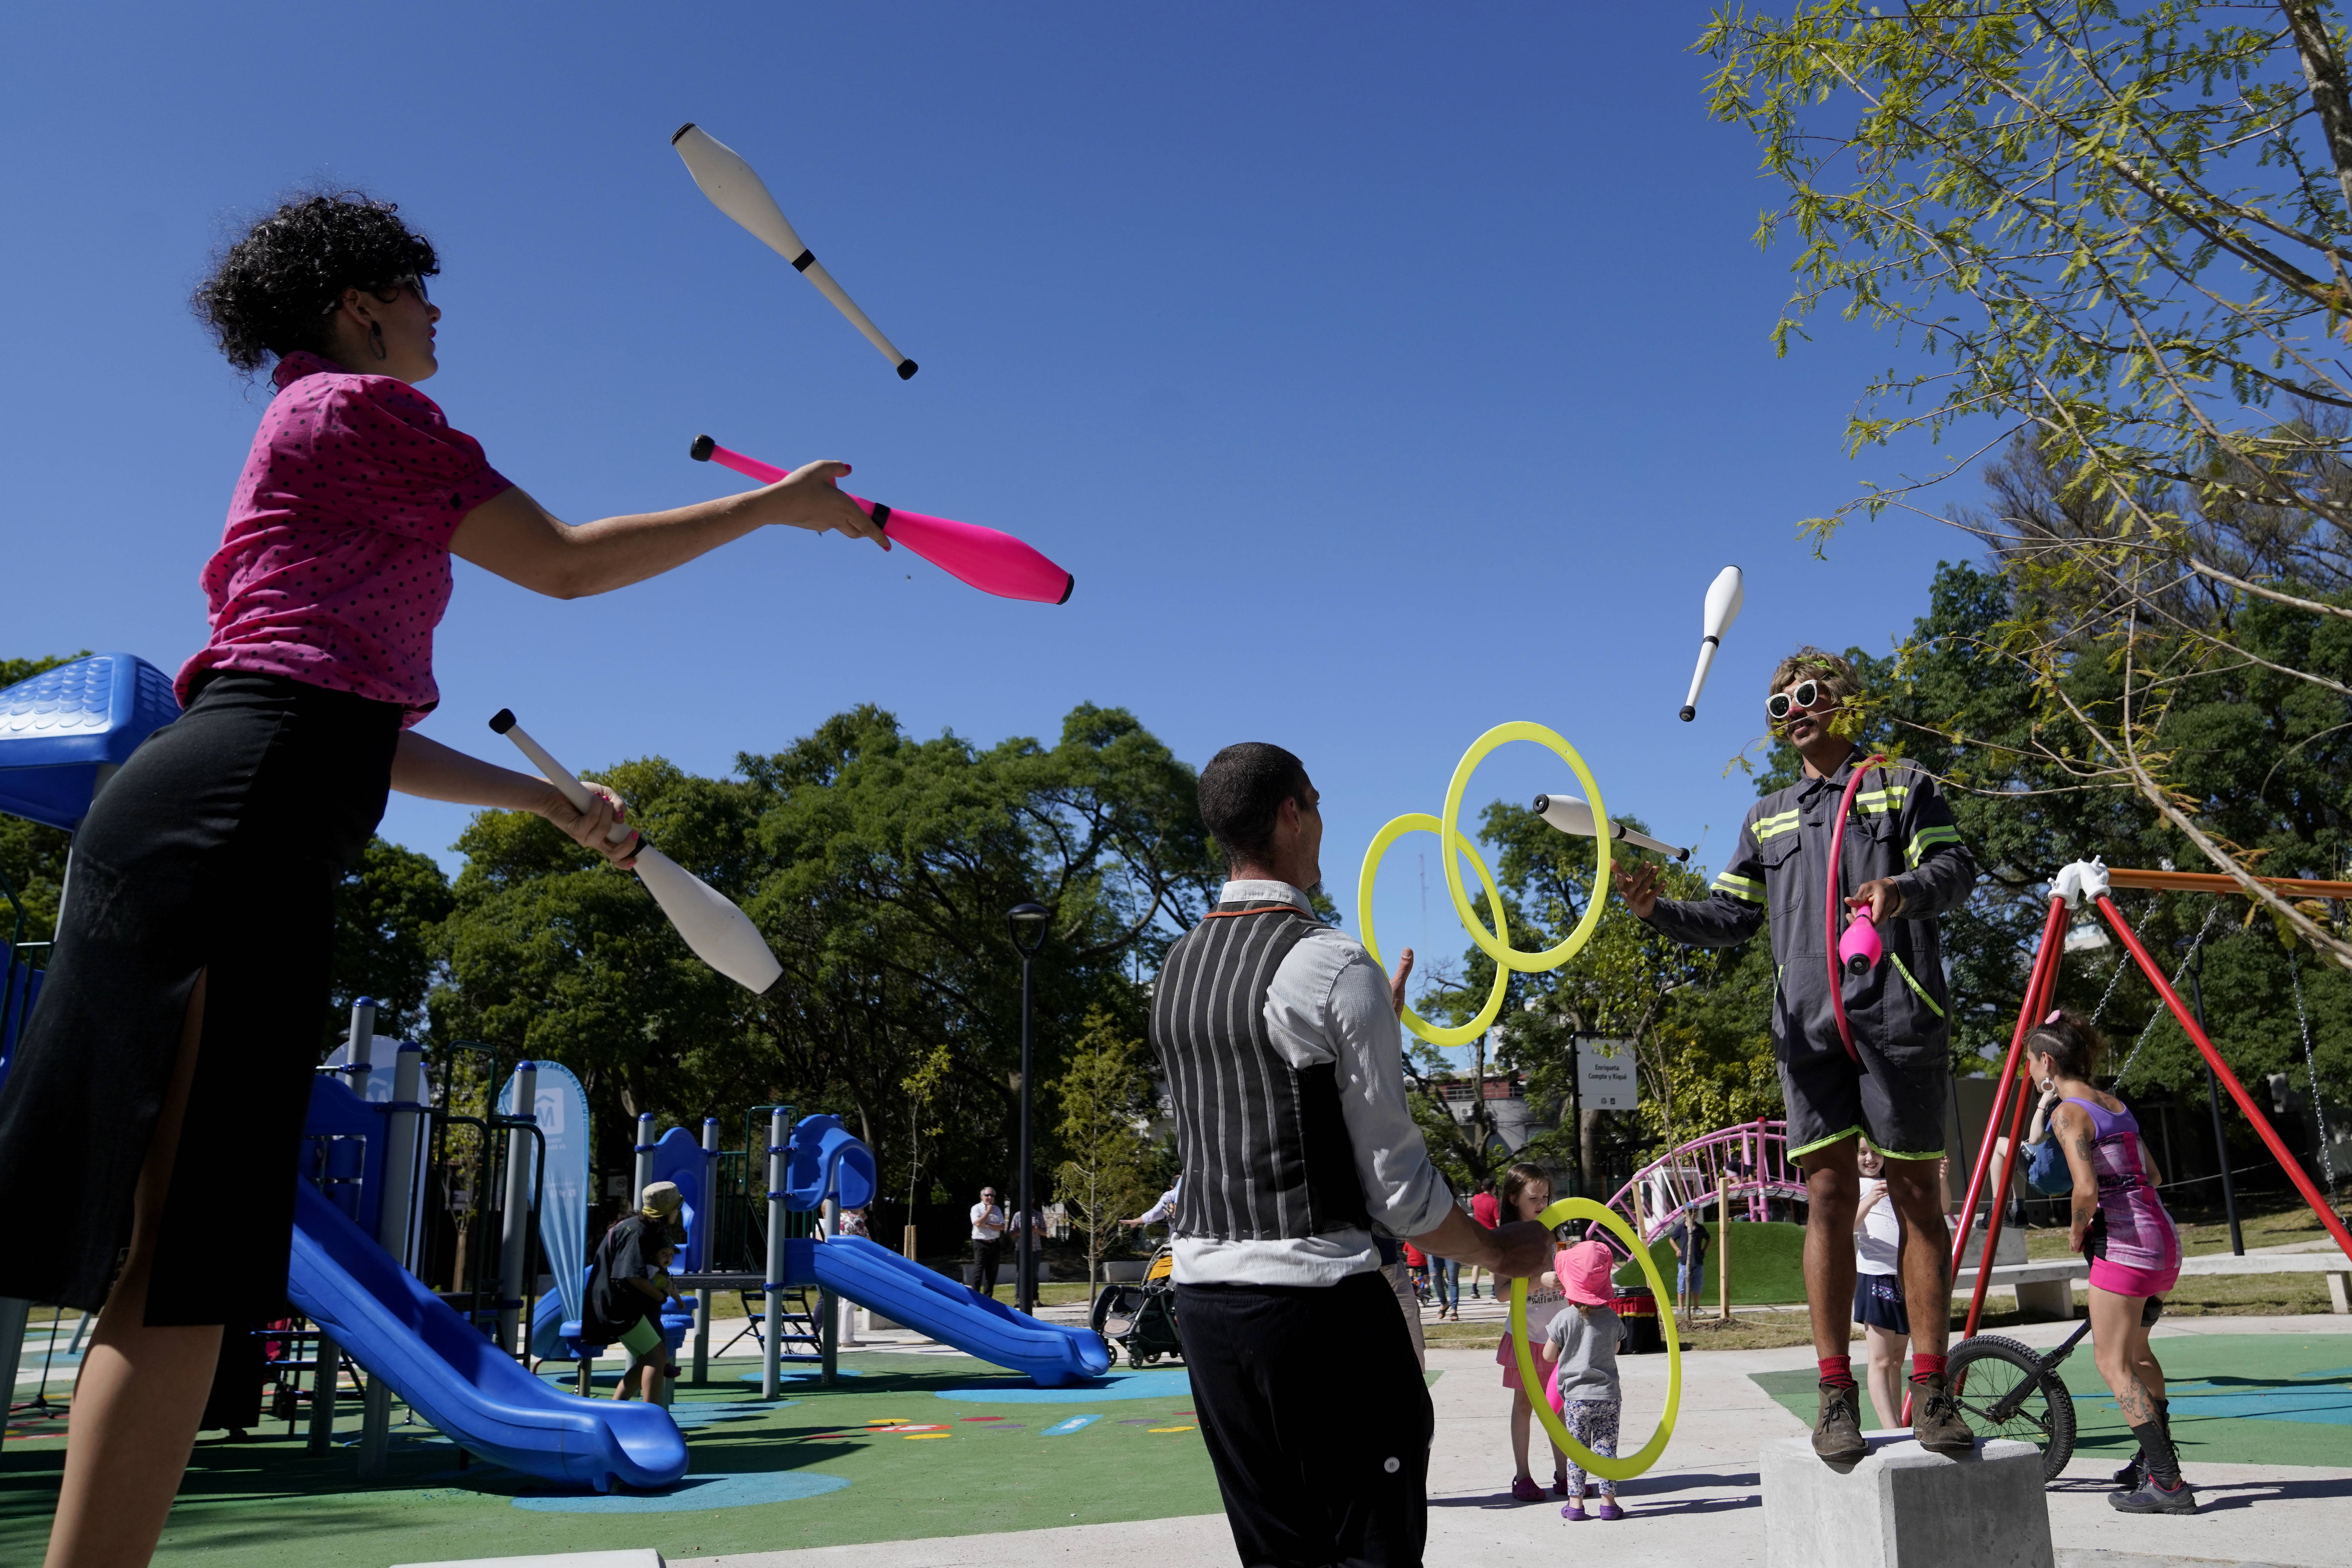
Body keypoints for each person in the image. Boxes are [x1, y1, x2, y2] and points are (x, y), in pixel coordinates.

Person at [0, 192, 885, 1568]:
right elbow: (567, 568)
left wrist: (539, 801)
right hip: (237, 827)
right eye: (418, 288)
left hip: (234, 807)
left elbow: (343, 720)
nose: (436, 311)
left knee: (178, 1261)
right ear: (358, 305)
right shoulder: (362, 415)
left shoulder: (308, 430)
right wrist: (773, 509)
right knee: (181, 1264)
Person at [1149, 743, 1554, 1568]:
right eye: (1318, 803)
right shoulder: (1330, 962)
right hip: (1316, 1307)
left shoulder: (1174, 967)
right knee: (1372, 1548)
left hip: (1205, 1306)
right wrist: (1496, 1251)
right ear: (1292, 812)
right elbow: (1397, 1189)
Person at [1614, 648, 1980, 1464]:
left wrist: (1901, 892)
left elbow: (1957, 869)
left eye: (1808, 696)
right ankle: (1833, 1395)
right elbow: (1730, 915)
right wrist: (1654, 911)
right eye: (1779, 705)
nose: (1794, 711)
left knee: (1918, 1193)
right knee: (1824, 1197)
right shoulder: (1767, 814)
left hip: (1896, 1020)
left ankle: (1931, 1387)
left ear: (1847, 702)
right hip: (1806, 1029)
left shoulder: (1901, 784)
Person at [2029, 1011, 2193, 1514]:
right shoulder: (2116, 1107)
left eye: (2032, 1065)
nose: (2033, 1075)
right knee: (2139, 1355)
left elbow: (2084, 1188)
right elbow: (2156, 1175)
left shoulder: (2067, 1112)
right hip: (2163, 1241)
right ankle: (2154, 1460)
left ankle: (2167, 1483)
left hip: (2124, 1249)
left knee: (2111, 1363)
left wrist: (2078, 1230)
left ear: (2049, 1062)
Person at [1493, 1161, 1568, 1501]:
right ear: (1513, 1199)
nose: (1542, 1203)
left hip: (1558, 1333)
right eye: (1534, 1197)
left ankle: (1567, 1474)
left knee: (1561, 1405)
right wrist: (1540, 1281)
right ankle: (1523, 1476)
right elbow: (1502, 1293)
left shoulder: (1556, 1232)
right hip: (1526, 1335)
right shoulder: (1505, 1241)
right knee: (1524, 1405)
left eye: (1546, 1197)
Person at [1539, 1240, 1626, 1522]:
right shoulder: (1612, 1318)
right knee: (1606, 1450)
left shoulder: (1565, 1318)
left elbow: (1549, 1356)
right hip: (1609, 1396)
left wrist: (1571, 1347)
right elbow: (1616, 1349)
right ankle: (1608, 1503)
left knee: (1578, 1451)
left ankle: (1575, 1505)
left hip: (1577, 1399)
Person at [585, 1183, 686, 1404]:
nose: (678, 1212)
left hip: (615, 1303)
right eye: (677, 1207)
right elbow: (632, 1277)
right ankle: (653, 1425)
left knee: (646, 1359)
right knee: (657, 1357)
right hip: (618, 1306)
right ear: (667, 1209)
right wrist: (660, 1297)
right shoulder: (638, 1231)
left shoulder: (639, 1226)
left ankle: (616, 1415)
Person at [1851, 1143, 1908, 1430]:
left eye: (1875, 1152)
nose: (1870, 1159)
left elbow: (1944, 1207)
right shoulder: (1858, 1186)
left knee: (1897, 1360)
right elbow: (1848, 1225)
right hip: (1876, 1277)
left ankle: (1897, 1423)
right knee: (1881, 1359)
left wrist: (1941, 1180)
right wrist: (1870, 1200)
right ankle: (1893, 1429)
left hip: (1903, 1278)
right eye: (1863, 1153)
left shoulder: (1896, 1181)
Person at [1664, 1209, 1710, 1318]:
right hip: (1684, 1262)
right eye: (1690, 1213)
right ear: (1684, 1215)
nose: (1693, 1215)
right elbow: (1672, 1240)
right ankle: (1681, 1308)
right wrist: (1678, 1250)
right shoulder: (1681, 1228)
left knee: (1697, 1286)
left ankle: (1696, 1307)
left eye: (1695, 1213)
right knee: (1682, 1285)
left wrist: (1704, 1251)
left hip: (1697, 1261)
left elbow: (1709, 1239)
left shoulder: (1700, 1228)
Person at [970, 1187, 1007, 1298]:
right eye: (987, 1196)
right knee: (978, 1272)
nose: (990, 1198)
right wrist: (988, 1212)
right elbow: (977, 1224)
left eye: (992, 1196)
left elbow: (1002, 1227)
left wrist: (987, 1224)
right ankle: (975, 1298)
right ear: (982, 1197)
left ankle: (988, 1298)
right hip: (981, 1244)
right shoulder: (976, 1208)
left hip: (994, 1244)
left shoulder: (998, 1209)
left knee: (992, 1274)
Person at [1469, 1181, 1502, 1299]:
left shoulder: (1476, 1199)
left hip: (1478, 1235)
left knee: (1477, 1264)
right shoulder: (1494, 1202)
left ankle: (1474, 1289)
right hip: (1491, 1235)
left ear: (1482, 1188)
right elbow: (1498, 1221)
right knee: (1492, 1264)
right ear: (1493, 1188)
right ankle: (1493, 1290)